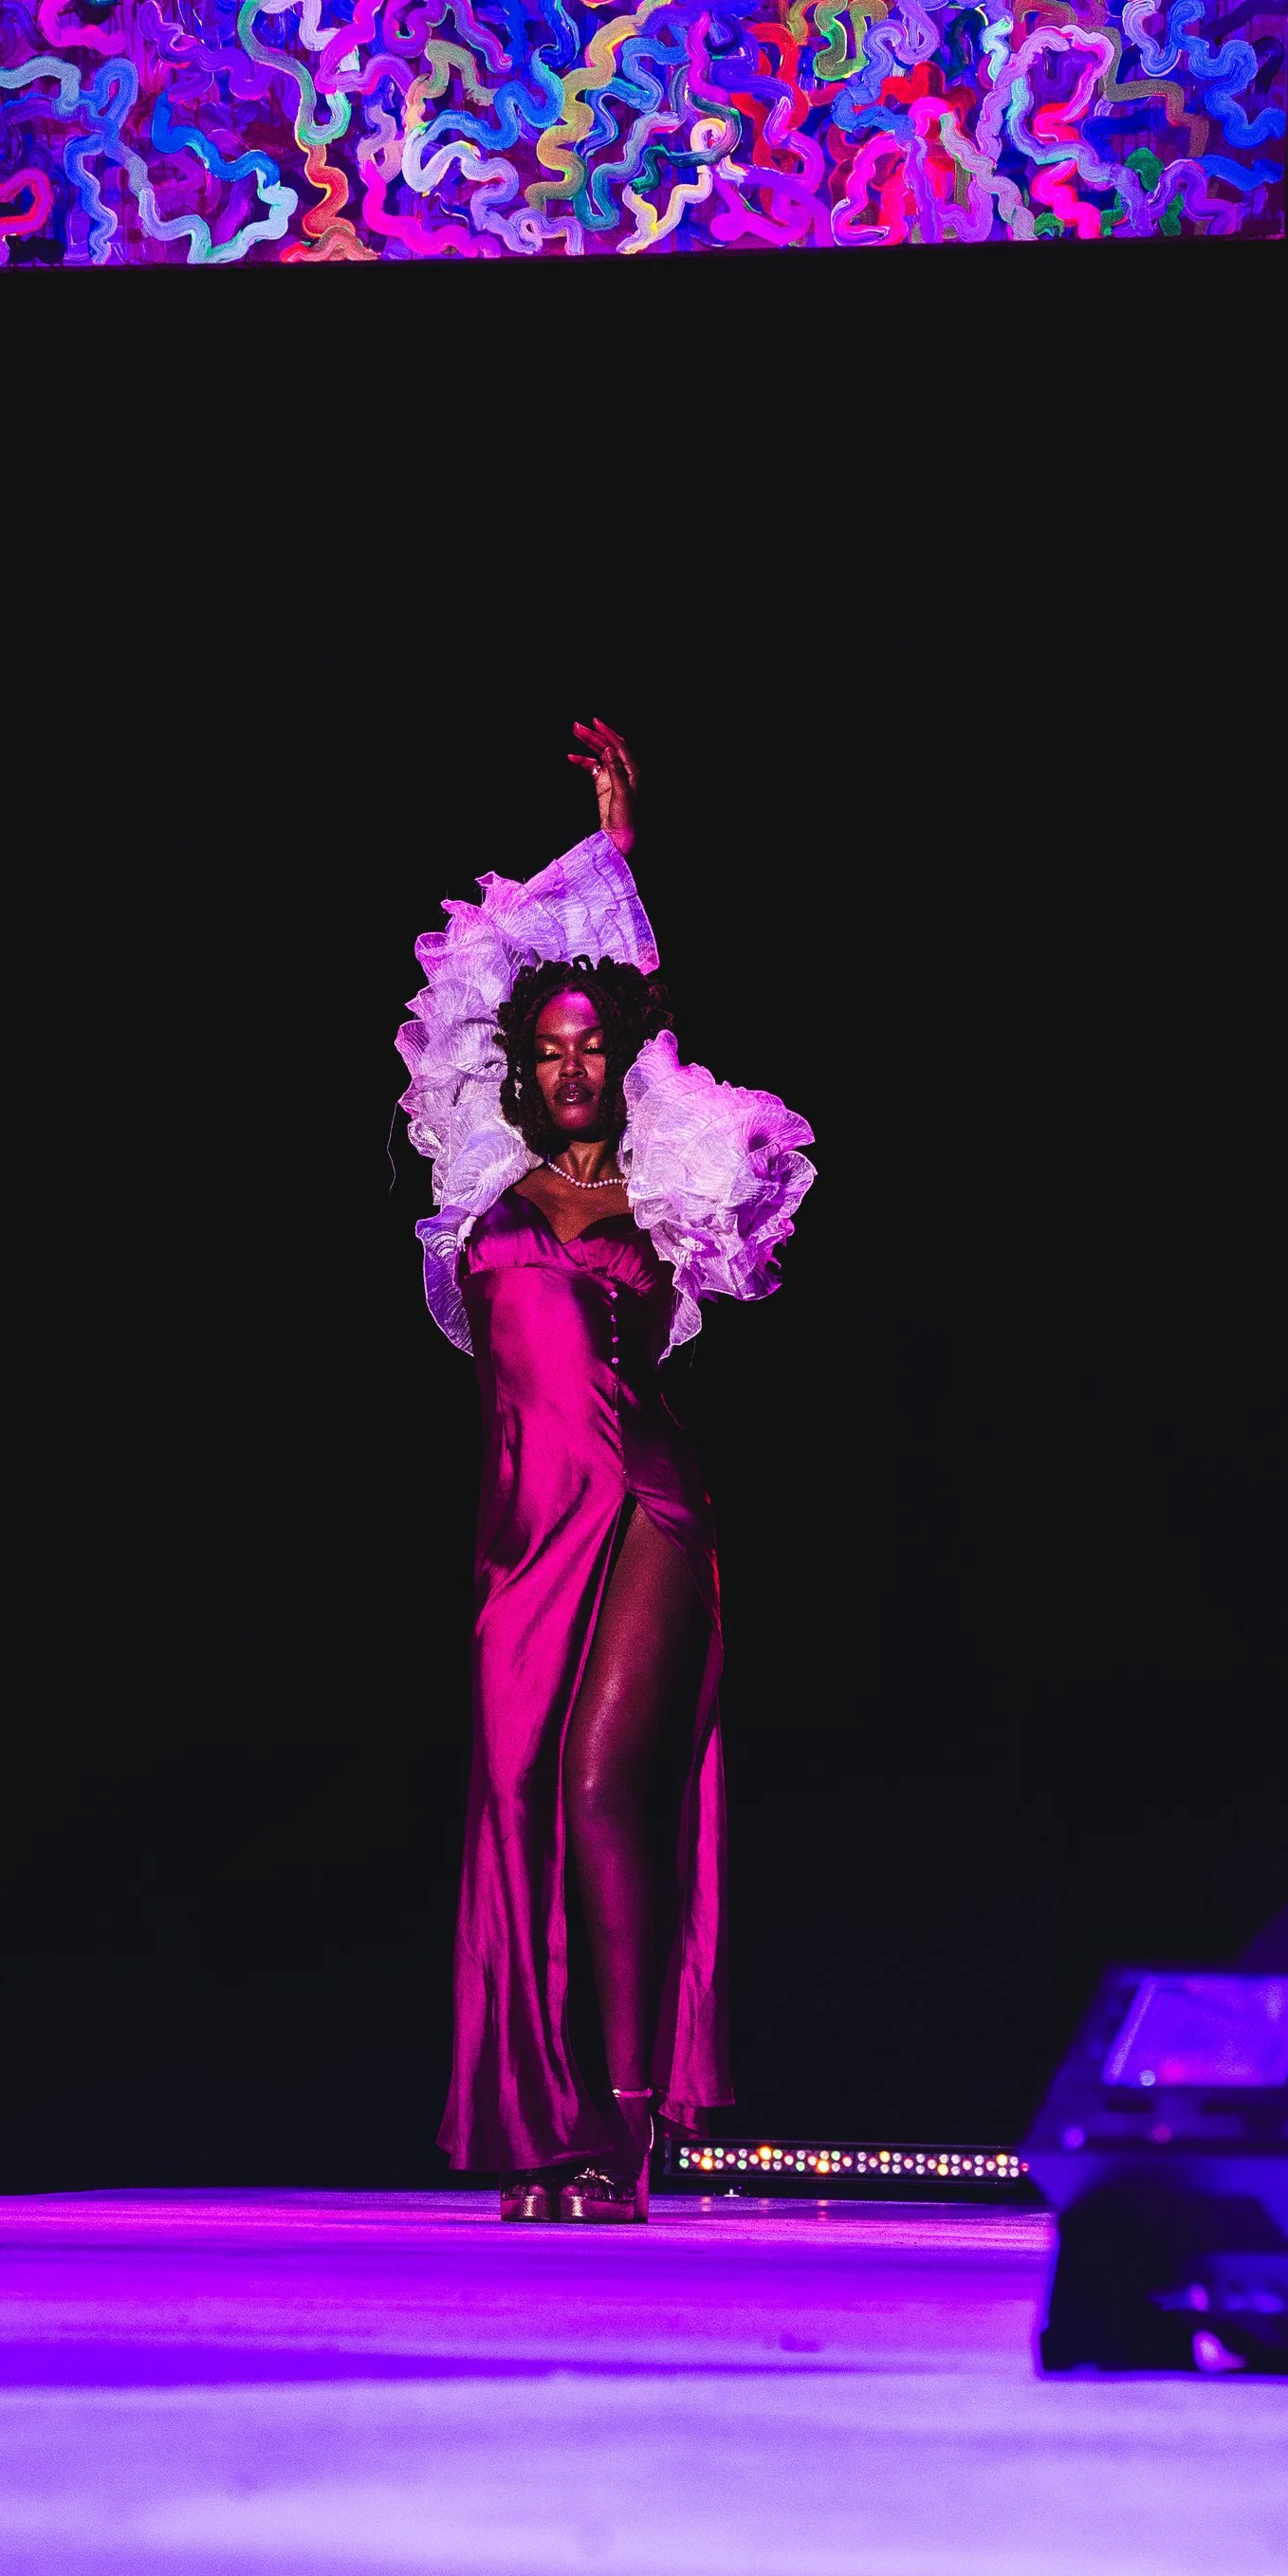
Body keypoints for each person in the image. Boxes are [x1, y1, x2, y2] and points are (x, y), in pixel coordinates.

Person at [397, 726, 816, 2223]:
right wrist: (589, 861)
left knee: (596, 1786)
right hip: (521, 1541)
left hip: (645, 1506)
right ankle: (543, 2130)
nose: (571, 1063)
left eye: (594, 1042)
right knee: (514, 1801)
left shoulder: (664, 1182)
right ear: (524, 1068)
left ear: (621, 1056)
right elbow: (466, 974)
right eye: (549, 1047)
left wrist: (633, 868)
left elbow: (662, 1042)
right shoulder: (476, 1181)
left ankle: (625, 2132)